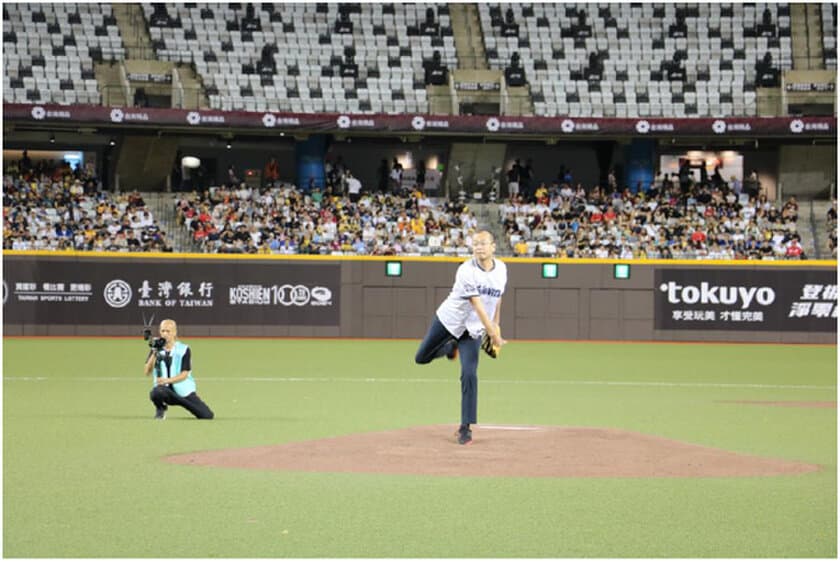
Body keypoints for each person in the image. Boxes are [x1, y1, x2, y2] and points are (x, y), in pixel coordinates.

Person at [414, 230, 507, 445]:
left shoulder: (501, 269)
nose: (478, 247)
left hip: (473, 329)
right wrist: (492, 335)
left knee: (469, 374)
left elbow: (497, 299)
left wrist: (496, 325)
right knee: (421, 357)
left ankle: (465, 428)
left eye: (483, 243)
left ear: (493, 246)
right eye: (475, 243)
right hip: (449, 321)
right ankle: (449, 348)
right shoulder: (466, 270)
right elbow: (476, 303)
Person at [144, 319, 214, 420]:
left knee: (207, 415)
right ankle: (161, 408)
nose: (165, 334)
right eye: (163, 331)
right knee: (156, 393)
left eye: (168, 331)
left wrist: (167, 380)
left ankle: (183, 402)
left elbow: (184, 374)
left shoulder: (184, 349)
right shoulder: (156, 348)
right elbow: (147, 371)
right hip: (164, 391)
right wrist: (155, 352)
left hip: (183, 391)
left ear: (174, 332)